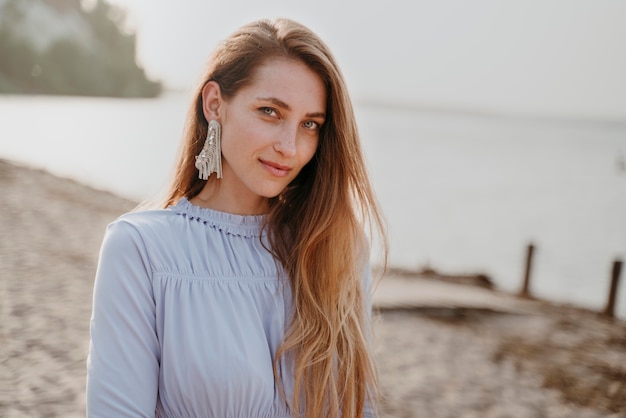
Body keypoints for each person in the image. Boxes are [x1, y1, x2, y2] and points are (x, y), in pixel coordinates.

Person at [86, 18, 387, 418]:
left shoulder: (339, 246)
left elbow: (358, 408)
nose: (289, 146)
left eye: (310, 124)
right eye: (270, 112)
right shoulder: (141, 250)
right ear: (215, 104)